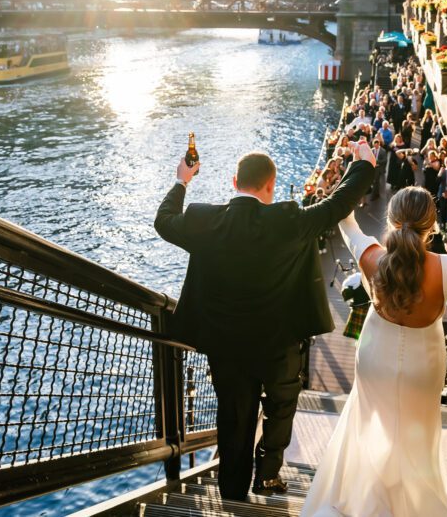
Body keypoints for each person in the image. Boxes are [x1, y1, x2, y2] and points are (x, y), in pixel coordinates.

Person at [155, 144, 375, 501]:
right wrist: (363, 163)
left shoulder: (204, 220)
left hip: (225, 346)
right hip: (279, 342)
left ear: (234, 181)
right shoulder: (290, 220)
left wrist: (182, 181)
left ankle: (232, 490)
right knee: (282, 406)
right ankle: (268, 475)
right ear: (271, 185)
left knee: (233, 415)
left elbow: (163, 222)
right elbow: (339, 202)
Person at [301, 187, 447, 516]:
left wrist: (356, 176)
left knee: (368, 424)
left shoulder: (371, 256)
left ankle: (365, 500)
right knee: (420, 432)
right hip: (424, 366)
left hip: (375, 358)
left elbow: (346, 223)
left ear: (391, 220)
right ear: (433, 225)